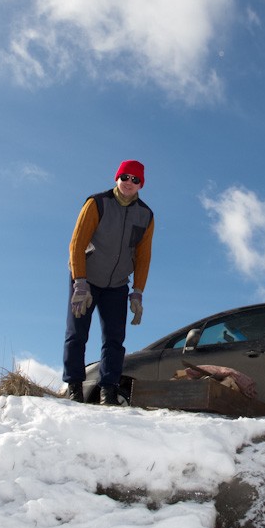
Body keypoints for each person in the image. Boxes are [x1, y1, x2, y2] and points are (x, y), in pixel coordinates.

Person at [63, 159, 154, 405]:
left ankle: (109, 392)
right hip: (87, 280)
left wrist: (137, 292)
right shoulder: (97, 203)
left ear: (141, 185)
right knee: (77, 334)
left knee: (115, 339)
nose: (129, 183)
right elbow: (77, 244)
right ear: (117, 178)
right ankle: (74, 387)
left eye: (135, 180)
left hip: (117, 285)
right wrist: (80, 282)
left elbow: (144, 257)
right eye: (125, 177)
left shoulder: (145, 215)